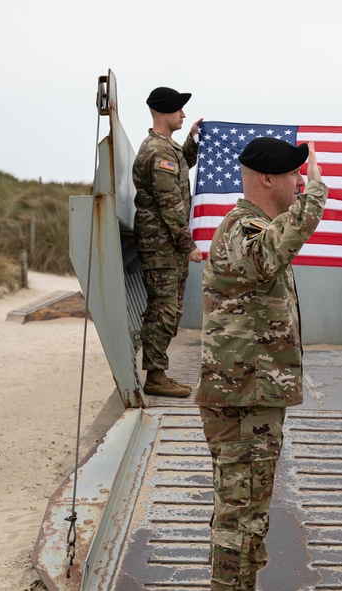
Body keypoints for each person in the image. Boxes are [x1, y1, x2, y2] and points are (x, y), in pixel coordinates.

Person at [194, 137, 328, 591]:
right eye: (295, 176)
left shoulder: (253, 229)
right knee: (240, 509)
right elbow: (277, 248)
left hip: (252, 394)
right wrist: (316, 196)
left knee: (249, 506)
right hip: (241, 397)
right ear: (268, 180)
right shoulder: (242, 231)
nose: (300, 183)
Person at [132, 86, 205, 398]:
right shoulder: (159, 152)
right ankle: (156, 376)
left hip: (165, 245)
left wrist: (192, 138)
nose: (183, 114)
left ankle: (158, 372)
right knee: (164, 308)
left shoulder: (167, 148)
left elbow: (183, 165)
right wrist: (188, 244)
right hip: (161, 245)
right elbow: (169, 203)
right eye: (179, 110)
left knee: (169, 307)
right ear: (163, 112)